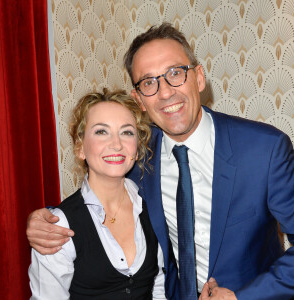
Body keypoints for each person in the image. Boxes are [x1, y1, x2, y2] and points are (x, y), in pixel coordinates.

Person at [27, 23, 294, 300]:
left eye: (175, 73)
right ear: (139, 99)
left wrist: (244, 298)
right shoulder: (136, 153)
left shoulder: (265, 149)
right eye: (149, 82)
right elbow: (99, 190)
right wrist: (46, 219)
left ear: (199, 78)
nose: (165, 92)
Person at [28, 89, 166, 299]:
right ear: (80, 148)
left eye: (127, 132)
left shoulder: (152, 206)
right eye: (102, 131)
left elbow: (157, 286)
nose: (117, 144)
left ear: (137, 149)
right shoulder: (57, 228)